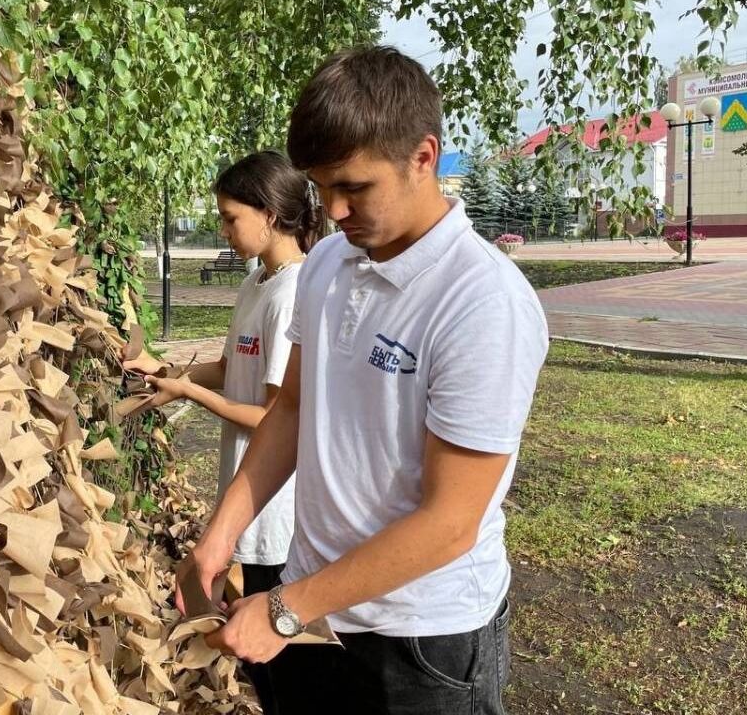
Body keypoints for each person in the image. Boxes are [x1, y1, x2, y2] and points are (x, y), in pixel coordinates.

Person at [177, 47, 550, 714]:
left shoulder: (481, 302)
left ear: (424, 157)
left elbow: (450, 522)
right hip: (318, 609)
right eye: (324, 188)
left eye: (355, 187)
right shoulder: (326, 267)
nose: (336, 210)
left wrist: (286, 610)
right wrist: (221, 533)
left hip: (424, 640)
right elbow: (291, 411)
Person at [124, 151, 323, 715]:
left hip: (276, 509)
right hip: (248, 498)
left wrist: (191, 394)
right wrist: (167, 372)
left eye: (231, 218)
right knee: (264, 662)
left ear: (271, 213)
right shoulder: (260, 280)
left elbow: (274, 415)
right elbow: (234, 366)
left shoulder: (292, 296)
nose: (223, 229)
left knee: (283, 662)